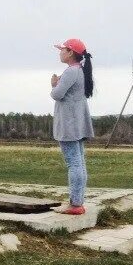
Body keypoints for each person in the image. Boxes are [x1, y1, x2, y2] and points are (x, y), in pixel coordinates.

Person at [50, 38, 95, 215]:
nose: (60, 52)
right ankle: (77, 202)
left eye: (62, 49)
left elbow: (57, 94)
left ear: (70, 52)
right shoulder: (80, 71)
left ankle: (75, 204)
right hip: (78, 122)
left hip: (69, 123)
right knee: (79, 162)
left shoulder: (70, 72)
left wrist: (54, 85)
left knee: (73, 163)